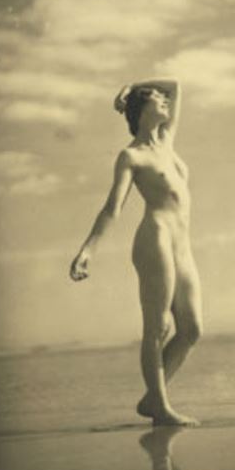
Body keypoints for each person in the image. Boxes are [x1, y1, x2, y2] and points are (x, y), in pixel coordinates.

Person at [70, 79, 203, 426]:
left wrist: (130, 86)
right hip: (155, 238)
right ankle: (161, 406)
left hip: (183, 245)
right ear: (142, 111)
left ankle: (152, 399)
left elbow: (175, 85)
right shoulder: (131, 156)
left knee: (191, 329)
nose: (165, 101)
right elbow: (112, 208)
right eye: (157, 99)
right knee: (158, 326)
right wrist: (88, 250)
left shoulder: (167, 139)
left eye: (162, 98)